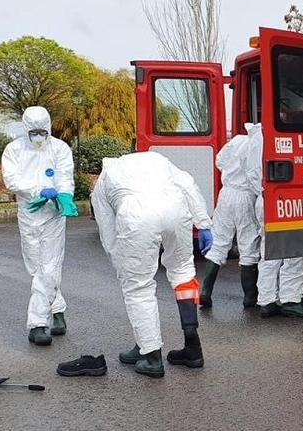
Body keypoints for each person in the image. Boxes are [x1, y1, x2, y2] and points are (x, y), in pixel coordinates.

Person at [91, 151, 214, 378]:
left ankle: (151, 355)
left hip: (137, 216)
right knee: (183, 273)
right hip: (176, 209)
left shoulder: (106, 178)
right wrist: (203, 222)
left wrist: (120, 262)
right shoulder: (158, 160)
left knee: (138, 287)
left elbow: (107, 229)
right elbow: (187, 183)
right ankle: (192, 348)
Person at [1, 106, 74, 346]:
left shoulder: (60, 148)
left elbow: (64, 176)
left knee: (49, 266)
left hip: (53, 214)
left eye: (43, 131)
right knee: (37, 267)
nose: (39, 136)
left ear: (49, 127)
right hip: (29, 214)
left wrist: (64, 196)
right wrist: (37, 189)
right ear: (26, 129)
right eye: (34, 132)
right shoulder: (14, 150)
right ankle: (58, 311)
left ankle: (38, 323)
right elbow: (11, 180)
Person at [246, 124, 303, 318]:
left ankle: (267, 301)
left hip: (265, 198)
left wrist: (262, 192)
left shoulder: (255, 138)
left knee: (269, 252)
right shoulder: (281, 132)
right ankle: (290, 300)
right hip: (285, 197)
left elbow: (251, 173)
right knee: (295, 251)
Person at [198, 124, 261, 309]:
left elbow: (219, 161)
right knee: (248, 246)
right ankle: (250, 297)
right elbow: (256, 175)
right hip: (245, 195)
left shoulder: (237, 140)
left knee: (218, 242)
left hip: (226, 194)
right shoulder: (258, 146)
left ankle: (205, 291)